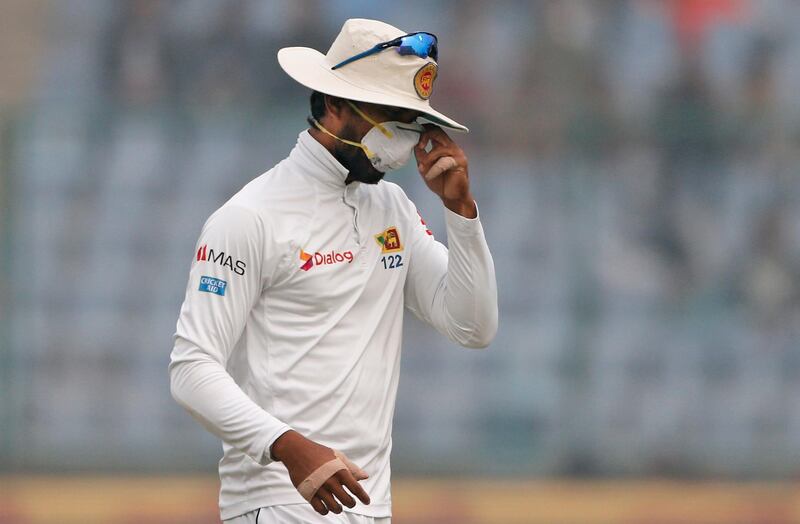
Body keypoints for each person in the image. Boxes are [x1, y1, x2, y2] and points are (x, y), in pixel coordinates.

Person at [169, 18, 498, 523]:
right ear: (335, 104)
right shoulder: (250, 217)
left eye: (411, 120)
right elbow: (191, 370)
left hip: (370, 507)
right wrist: (287, 446)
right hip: (278, 504)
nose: (404, 138)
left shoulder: (393, 209)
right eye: (389, 114)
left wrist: (461, 213)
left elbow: (473, 327)